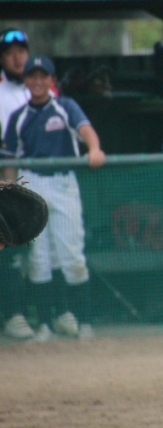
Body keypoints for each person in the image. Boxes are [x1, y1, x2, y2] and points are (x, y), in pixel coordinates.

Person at [3, 55, 106, 341]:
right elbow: (10, 161)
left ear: (52, 80)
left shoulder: (65, 107)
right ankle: (45, 326)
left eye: (43, 76)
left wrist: (94, 148)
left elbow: (86, 131)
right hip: (32, 184)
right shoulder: (18, 116)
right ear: (26, 81)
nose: (38, 82)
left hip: (63, 182)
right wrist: (10, 195)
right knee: (39, 257)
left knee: (71, 254)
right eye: (32, 76)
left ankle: (84, 322)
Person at [0, 27, 34, 340]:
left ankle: (41, 315)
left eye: (21, 51)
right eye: (10, 53)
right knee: (7, 244)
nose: (17, 58)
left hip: (33, 178)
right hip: (5, 177)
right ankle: (12, 314)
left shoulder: (38, 89)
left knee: (34, 249)